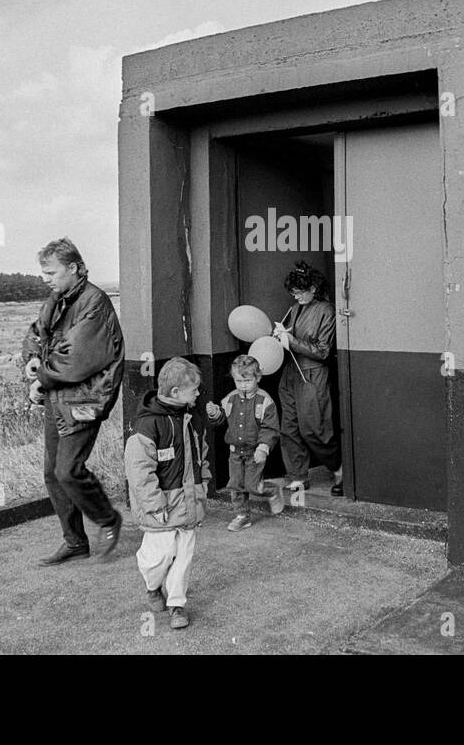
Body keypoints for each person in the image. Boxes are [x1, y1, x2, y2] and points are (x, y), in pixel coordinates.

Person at [22, 237, 124, 566]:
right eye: (43, 273)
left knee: (68, 470)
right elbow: (38, 333)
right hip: (58, 397)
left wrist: (42, 380)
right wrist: (31, 359)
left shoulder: (95, 303)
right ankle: (75, 542)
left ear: (74, 268)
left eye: (50, 272)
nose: (45, 278)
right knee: (52, 473)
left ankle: (108, 520)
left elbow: (76, 359)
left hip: (84, 399)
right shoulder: (57, 299)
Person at [125, 357, 213, 630]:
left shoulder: (192, 418)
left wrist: (204, 484)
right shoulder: (148, 425)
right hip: (161, 507)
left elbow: (202, 456)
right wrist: (154, 504)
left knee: (183, 557)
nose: (198, 393)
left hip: (189, 503)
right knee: (159, 557)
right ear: (175, 392)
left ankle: (177, 604)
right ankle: (153, 586)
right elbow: (139, 471)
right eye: (193, 389)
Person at [274, 261, 343, 496]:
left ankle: (339, 469)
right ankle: (298, 476)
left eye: (300, 291)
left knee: (315, 427)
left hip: (313, 374)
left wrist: (290, 340)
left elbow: (323, 351)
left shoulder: (327, 310)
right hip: (291, 372)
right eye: (293, 292)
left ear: (313, 288)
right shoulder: (295, 309)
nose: (296, 296)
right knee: (290, 428)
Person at [206, 355, 285, 531]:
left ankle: (271, 490)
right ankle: (242, 515)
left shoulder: (265, 401)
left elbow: (270, 428)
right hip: (235, 452)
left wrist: (263, 448)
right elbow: (220, 420)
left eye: (247, 381)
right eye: (238, 381)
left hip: (254, 452)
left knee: (253, 486)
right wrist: (214, 413)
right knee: (236, 484)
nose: (243, 385)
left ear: (258, 378)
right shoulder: (230, 399)